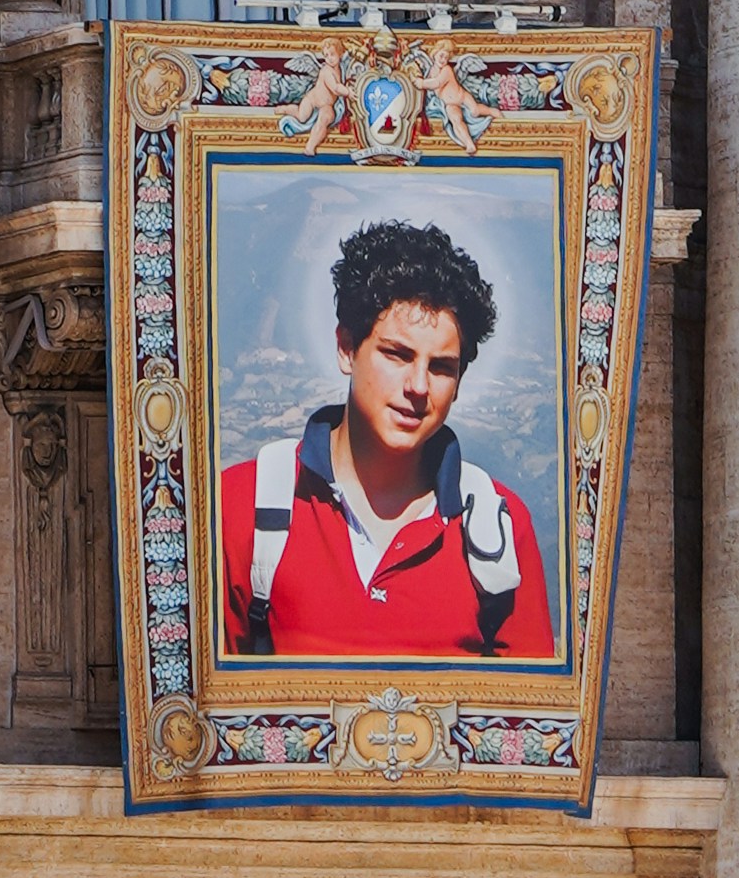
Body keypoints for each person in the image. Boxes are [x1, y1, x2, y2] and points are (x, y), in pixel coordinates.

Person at [220, 217, 555, 666]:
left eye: (441, 367)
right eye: (396, 355)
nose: (418, 386)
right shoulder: (244, 507)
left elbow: (526, 724)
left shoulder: (500, 529)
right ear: (346, 348)